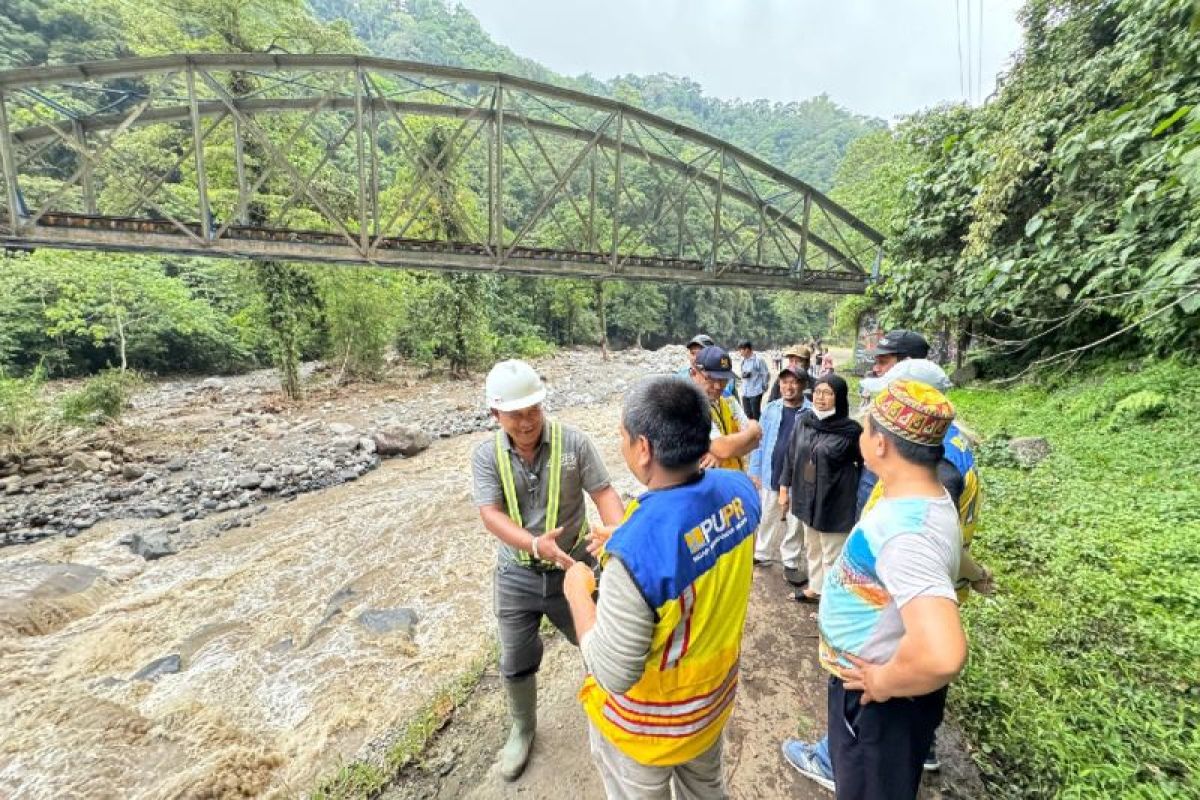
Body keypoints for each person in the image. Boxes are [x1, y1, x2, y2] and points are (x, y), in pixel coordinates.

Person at [564, 375, 763, 799]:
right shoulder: (742, 492)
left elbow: (614, 671)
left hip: (647, 726)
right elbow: (690, 527)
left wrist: (578, 591)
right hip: (710, 704)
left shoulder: (633, 556)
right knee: (706, 790)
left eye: (622, 434)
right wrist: (626, 528)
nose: (621, 443)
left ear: (644, 448)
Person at [782, 380, 969, 800]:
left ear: (881, 444)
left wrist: (884, 682)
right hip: (885, 693)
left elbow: (945, 652)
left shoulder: (906, 535)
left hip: (878, 703)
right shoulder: (927, 498)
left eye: (866, 429)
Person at [471, 359, 626, 781]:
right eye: (516, 414)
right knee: (516, 656)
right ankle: (523, 728)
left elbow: (604, 492)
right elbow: (489, 513)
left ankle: (618, 715)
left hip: (575, 568)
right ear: (495, 415)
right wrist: (535, 544)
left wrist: (619, 536)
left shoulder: (574, 443)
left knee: (602, 645)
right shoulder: (486, 456)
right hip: (516, 575)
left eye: (533, 410)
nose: (527, 422)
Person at [778, 374, 863, 603]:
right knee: (812, 547)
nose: (820, 398)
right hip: (807, 497)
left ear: (840, 397)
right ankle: (816, 588)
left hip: (835, 500)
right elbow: (791, 455)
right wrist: (784, 488)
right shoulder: (804, 421)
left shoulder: (852, 431)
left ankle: (831, 602)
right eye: (817, 392)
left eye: (828, 393)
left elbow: (865, 465)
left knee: (832, 554)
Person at [855, 330, 931, 515]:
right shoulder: (884, 404)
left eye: (883, 362)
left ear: (906, 365)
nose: (876, 369)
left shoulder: (928, 425)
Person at [748, 367, 812, 586]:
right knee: (767, 514)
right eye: (784, 382)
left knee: (795, 523)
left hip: (798, 479)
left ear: (803, 385)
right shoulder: (771, 409)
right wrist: (754, 471)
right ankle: (762, 552)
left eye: (794, 382)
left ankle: (791, 561)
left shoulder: (810, 413)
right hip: (771, 471)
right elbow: (759, 442)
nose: (788, 387)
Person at [690, 345, 762, 471]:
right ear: (694, 374)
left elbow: (756, 441)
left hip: (733, 478)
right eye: (711, 378)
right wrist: (751, 432)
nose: (718, 386)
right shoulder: (690, 407)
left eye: (723, 379)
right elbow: (722, 447)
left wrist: (721, 455)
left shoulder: (729, 402)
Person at [737, 339, 770, 421]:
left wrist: (764, 387)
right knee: (747, 414)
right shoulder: (743, 361)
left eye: (741, 350)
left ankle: (760, 431)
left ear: (747, 349)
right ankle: (751, 431)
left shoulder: (758, 360)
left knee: (756, 414)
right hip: (745, 391)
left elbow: (765, 374)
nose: (740, 352)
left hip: (756, 391)